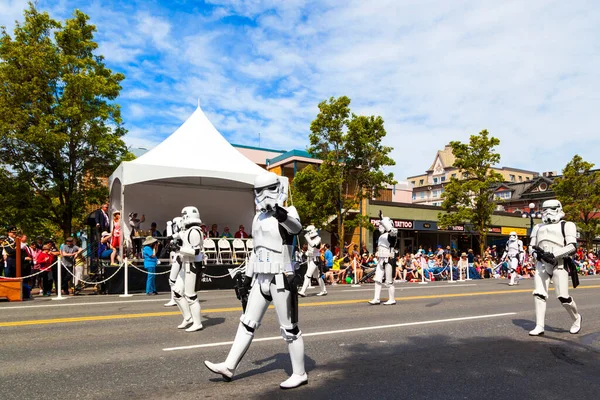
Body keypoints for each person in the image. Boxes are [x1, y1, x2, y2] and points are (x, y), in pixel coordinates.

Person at [204, 172, 307, 389]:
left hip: (281, 277)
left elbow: (297, 229)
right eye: (258, 191)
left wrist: (280, 214)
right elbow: (255, 250)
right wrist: (247, 278)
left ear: (278, 188)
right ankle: (229, 366)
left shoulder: (288, 212)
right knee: (247, 323)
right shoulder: (257, 217)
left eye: (268, 189)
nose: (263, 195)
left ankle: (300, 373)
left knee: (289, 328)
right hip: (261, 277)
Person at [528, 199, 582, 336]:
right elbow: (531, 246)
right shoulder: (538, 227)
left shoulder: (567, 225)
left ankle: (576, 318)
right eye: (544, 209)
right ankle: (539, 325)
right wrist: (537, 255)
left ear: (558, 209)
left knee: (563, 297)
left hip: (559, 263)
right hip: (541, 264)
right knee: (539, 294)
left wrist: (553, 255)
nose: (547, 212)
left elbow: (572, 246)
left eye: (550, 209)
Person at [170, 206, 205, 332]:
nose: (183, 217)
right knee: (177, 292)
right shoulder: (189, 230)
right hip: (186, 265)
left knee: (191, 296)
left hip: (193, 266)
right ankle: (188, 317)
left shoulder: (195, 231)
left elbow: (195, 252)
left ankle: (197, 323)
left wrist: (179, 249)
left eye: (184, 214)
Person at [369, 213, 398, 305]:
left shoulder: (392, 234)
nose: (380, 226)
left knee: (389, 281)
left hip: (389, 259)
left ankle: (392, 299)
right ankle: (376, 298)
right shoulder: (381, 236)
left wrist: (383, 220)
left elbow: (392, 231)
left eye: (381, 225)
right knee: (377, 279)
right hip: (381, 259)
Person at [298, 225, 327, 297]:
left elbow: (313, 245)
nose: (307, 233)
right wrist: (302, 253)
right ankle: (324, 290)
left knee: (307, 275)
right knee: (317, 276)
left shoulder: (318, 238)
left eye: (308, 232)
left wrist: (307, 237)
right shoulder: (310, 238)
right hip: (311, 258)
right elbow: (307, 247)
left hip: (315, 259)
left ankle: (302, 291)